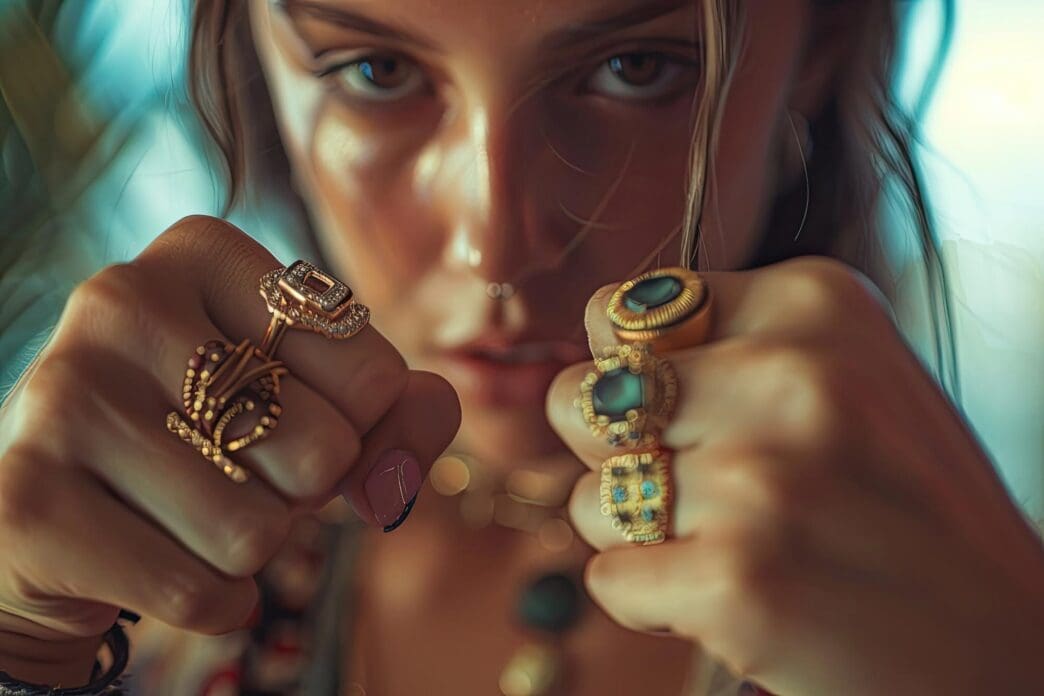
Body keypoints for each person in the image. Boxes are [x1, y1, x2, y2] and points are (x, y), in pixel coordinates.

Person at [0, 1, 1041, 694]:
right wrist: (24, 642)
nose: (493, 245)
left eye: (636, 68)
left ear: (817, 50)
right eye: (376, 70)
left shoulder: (958, 607)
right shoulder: (167, 591)